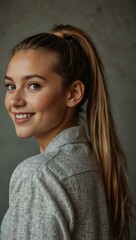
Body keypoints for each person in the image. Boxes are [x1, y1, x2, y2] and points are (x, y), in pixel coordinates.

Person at [0, 24, 133, 240]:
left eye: (33, 85)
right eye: (10, 86)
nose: (14, 101)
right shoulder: (93, 162)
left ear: (73, 93)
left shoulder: (38, 175)